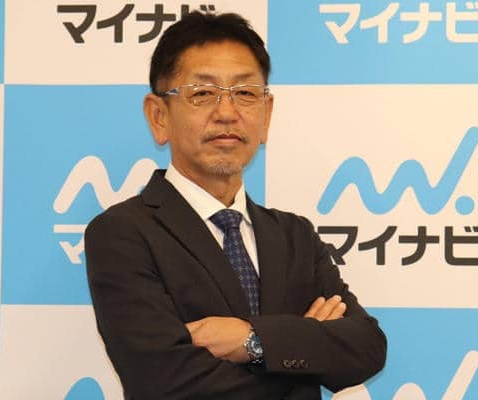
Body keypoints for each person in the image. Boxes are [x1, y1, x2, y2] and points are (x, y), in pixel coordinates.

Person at [84, 11, 386, 400]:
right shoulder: (123, 234)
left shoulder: (294, 235)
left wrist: (252, 340)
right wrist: (301, 358)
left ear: (267, 115)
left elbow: (366, 348)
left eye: (245, 93)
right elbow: (163, 382)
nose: (227, 113)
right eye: (202, 93)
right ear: (159, 116)